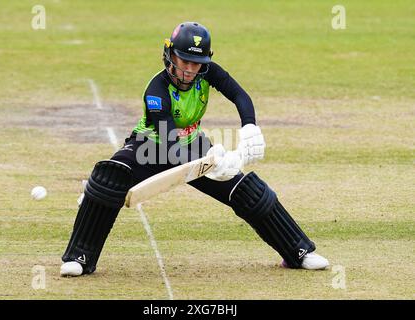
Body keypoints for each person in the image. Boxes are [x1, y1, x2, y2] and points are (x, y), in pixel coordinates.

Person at [60, 22, 329, 277]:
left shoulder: (208, 72)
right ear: (170, 56)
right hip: (149, 147)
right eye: (184, 61)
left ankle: (298, 252)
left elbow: (239, 95)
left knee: (248, 192)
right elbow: (168, 144)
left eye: (197, 63)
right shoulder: (157, 89)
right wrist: (215, 163)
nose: (190, 70)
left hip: (193, 144)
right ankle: (79, 258)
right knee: (109, 179)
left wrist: (249, 127)